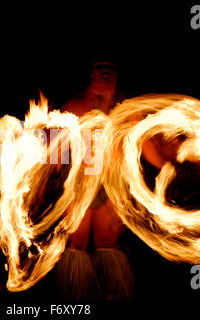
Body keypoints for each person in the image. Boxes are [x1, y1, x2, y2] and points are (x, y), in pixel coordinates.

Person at [54, 60, 134, 300]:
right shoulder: (76, 106)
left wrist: (166, 164)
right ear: (91, 71)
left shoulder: (128, 109)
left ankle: (114, 295)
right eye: (100, 64)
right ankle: (77, 299)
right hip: (81, 180)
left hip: (113, 181)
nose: (106, 69)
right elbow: (57, 148)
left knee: (107, 242)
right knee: (76, 241)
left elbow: (144, 144)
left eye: (111, 64)